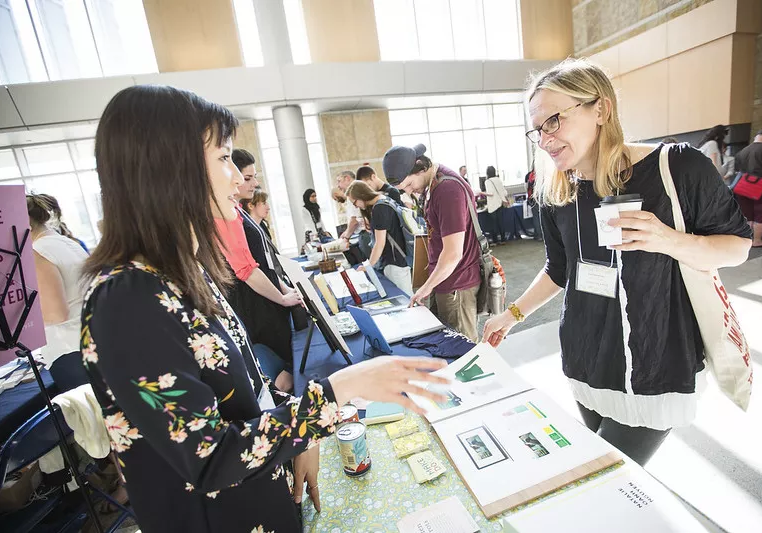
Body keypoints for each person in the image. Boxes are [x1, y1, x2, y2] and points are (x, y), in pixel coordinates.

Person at [82, 84, 448, 533]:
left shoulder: (177, 273)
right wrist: (336, 392)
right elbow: (209, 458)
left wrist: (298, 437)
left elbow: (240, 390)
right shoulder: (128, 301)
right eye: (222, 159)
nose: (238, 179)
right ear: (166, 170)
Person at [483, 59, 752, 466]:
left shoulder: (677, 167)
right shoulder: (558, 191)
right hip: (586, 357)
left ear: (601, 110)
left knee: (606, 472)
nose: (544, 139)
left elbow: (737, 247)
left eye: (553, 121)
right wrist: (513, 314)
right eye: (537, 129)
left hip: (656, 361)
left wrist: (669, 239)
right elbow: (561, 270)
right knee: (616, 480)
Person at [385, 143, 481, 341]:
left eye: (410, 185)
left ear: (421, 166)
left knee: (463, 352)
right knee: (446, 344)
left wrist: (426, 287)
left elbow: (454, 253)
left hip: (457, 283)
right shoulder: (434, 185)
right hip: (445, 280)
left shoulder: (447, 190)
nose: (412, 191)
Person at [223, 148, 294, 392]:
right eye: (249, 177)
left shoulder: (237, 210)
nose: (255, 182)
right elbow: (247, 271)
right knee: (283, 374)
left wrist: (284, 290)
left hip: (267, 302)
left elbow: (266, 262)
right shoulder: (227, 214)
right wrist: (283, 298)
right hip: (257, 307)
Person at [26, 194, 89, 391]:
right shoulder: (66, 242)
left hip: (70, 349)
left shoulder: (38, 251)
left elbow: (56, 314)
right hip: (90, 339)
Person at [346, 181, 413, 295]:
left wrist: (368, 266)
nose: (355, 206)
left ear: (361, 196)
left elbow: (379, 243)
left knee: (405, 301)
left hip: (394, 263)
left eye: (354, 202)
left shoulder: (379, 208)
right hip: (400, 259)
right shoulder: (385, 200)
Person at [484, 165, 510, 245]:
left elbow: (490, 193)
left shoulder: (487, 181)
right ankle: (503, 239)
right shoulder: (498, 179)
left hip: (492, 205)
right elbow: (504, 192)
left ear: (487, 173)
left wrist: (481, 193)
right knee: (500, 222)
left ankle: (495, 241)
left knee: (494, 224)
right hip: (500, 204)